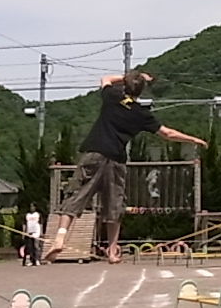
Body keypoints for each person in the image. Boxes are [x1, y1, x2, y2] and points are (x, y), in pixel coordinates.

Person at [42, 72, 206, 264]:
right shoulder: (141, 113)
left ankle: (60, 237)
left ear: (124, 86)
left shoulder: (112, 97)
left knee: (75, 195)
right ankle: (112, 252)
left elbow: (105, 79)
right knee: (115, 206)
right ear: (141, 90)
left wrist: (131, 76)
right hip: (116, 160)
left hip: (94, 152)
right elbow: (167, 133)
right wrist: (192, 139)